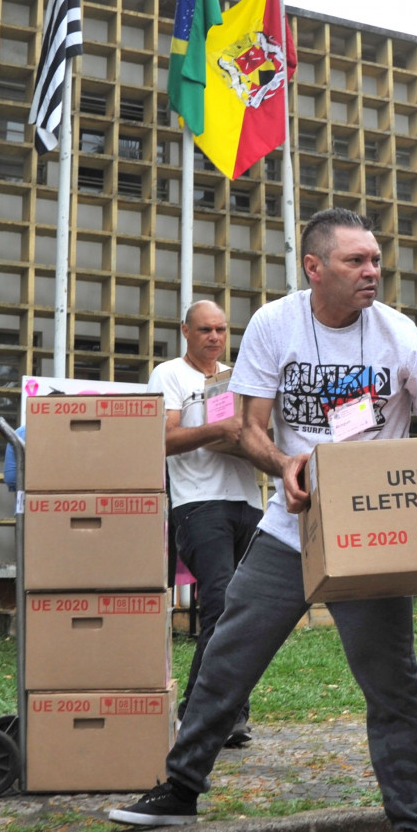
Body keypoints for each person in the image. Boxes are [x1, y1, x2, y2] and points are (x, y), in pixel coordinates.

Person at [107, 209, 417, 832]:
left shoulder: (397, 334)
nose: (373, 271)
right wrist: (285, 465)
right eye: (356, 261)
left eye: (375, 259)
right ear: (314, 268)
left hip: (373, 534)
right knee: (226, 655)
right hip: (289, 524)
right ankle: (182, 788)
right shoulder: (276, 325)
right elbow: (245, 426)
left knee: (393, 689)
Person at [150, 300, 263, 749]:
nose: (214, 337)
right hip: (199, 504)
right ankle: (198, 712)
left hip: (248, 501)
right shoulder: (169, 374)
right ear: (185, 332)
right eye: (204, 329)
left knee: (250, 613)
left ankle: (232, 713)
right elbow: (162, 439)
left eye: (220, 329)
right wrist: (219, 431)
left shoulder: (236, 377)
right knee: (219, 604)